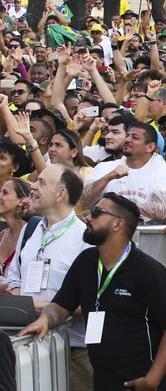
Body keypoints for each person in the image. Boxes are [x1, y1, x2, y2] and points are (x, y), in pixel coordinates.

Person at [20, 193, 166, 391]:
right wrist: (44, 320)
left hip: (142, 383)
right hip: (103, 381)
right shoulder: (85, 261)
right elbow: (60, 307)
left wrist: (152, 380)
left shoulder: (151, 272)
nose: (88, 217)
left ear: (118, 224)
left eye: (97, 213)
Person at [6, 166, 91, 391]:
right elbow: (14, 280)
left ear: (60, 194)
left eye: (42, 183)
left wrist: (43, 308)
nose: (32, 186)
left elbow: (91, 305)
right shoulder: (30, 229)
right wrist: (20, 302)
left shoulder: (85, 239)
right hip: (27, 346)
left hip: (73, 351)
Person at [81, 123, 166, 223]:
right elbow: (84, 200)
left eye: (135, 138)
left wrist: (111, 208)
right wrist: (107, 178)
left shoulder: (163, 170)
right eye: (127, 136)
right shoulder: (105, 167)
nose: (127, 140)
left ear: (150, 147)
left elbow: (162, 211)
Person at [0, 178, 30, 273]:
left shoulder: (30, 234)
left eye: (5, 193)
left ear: (21, 201)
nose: (0, 196)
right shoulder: (2, 235)